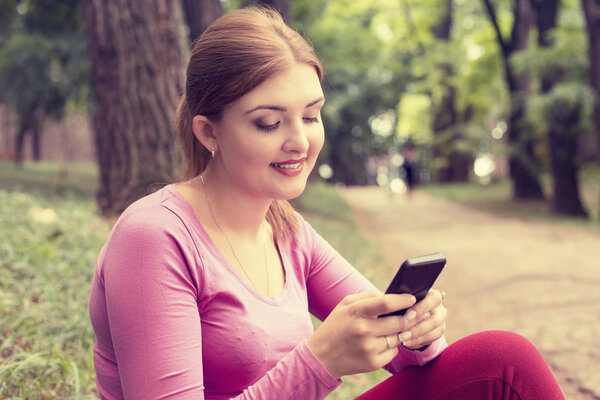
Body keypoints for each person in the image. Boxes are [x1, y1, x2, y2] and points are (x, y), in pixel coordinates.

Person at [88, 7, 565, 400]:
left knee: (504, 361)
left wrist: (418, 330)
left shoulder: (286, 231)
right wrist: (320, 362)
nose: (300, 142)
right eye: (269, 123)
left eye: (311, 116)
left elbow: (405, 352)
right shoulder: (154, 236)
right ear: (208, 130)